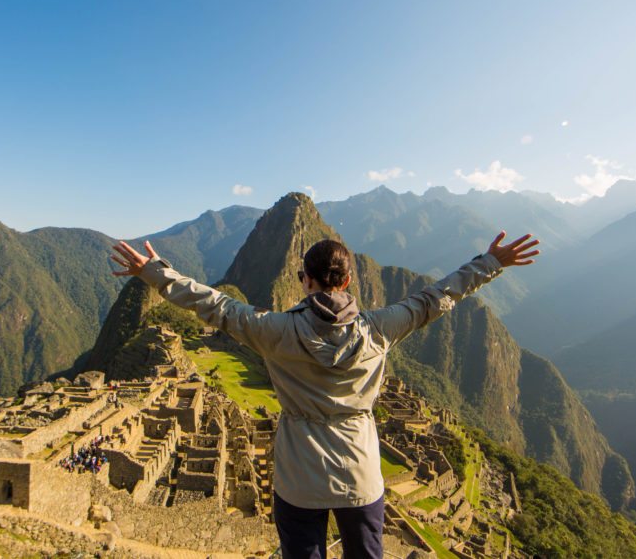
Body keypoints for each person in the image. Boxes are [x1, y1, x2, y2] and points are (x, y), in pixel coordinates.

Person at [110, 230, 539, 559]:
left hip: (299, 477)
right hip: (361, 475)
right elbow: (436, 297)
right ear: (349, 280)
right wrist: (489, 264)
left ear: (305, 280)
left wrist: (154, 271)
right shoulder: (379, 328)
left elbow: (215, 306)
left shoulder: (274, 330)